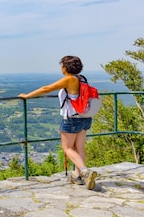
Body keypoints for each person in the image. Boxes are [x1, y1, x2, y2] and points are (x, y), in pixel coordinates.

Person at [18, 55, 98, 190]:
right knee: (79, 148)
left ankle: (85, 172)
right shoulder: (81, 79)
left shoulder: (69, 79)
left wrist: (27, 96)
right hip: (85, 117)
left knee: (67, 148)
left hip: (72, 119)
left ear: (65, 67)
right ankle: (77, 176)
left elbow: (46, 89)